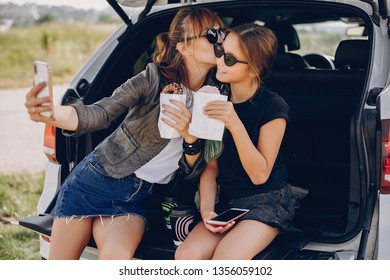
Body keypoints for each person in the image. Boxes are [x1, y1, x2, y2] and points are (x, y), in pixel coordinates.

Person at [24, 7, 225, 260]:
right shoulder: (152, 79)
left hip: (135, 197)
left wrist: (189, 135)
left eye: (222, 32)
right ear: (183, 47)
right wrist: (51, 113)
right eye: (211, 34)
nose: (221, 40)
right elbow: (99, 113)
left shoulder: (214, 95)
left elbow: (194, 168)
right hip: (93, 183)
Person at [175, 23, 297, 260]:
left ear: (253, 69)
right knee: (185, 256)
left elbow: (260, 175)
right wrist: (207, 211)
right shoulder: (213, 96)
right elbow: (211, 167)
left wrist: (234, 123)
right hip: (229, 202)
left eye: (229, 59)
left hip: (268, 201)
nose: (219, 60)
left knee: (225, 261)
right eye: (220, 51)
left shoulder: (273, 107)